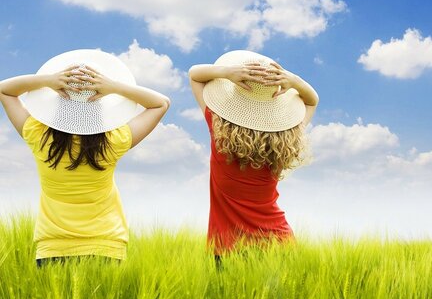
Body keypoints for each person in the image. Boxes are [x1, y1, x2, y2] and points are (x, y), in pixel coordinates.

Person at [0, 49, 170, 266]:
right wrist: (113, 87)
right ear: (99, 105)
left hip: (53, 247)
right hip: (106, 245)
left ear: (58, 103)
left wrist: (48, 81)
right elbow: (161, 103)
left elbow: (5, 90)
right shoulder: (113, 141)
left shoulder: (38, 136)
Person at [189, 50, 319, 261]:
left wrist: (228, 73)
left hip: (227, 248)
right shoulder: (287, 137)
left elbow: (195, 74)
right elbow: (312, 101)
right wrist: (293, 80)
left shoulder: (220, 132)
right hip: (279, 244)